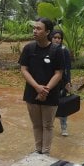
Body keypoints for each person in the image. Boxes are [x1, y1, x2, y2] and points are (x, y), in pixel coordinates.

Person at [18, 17, 64, 155]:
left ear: (47, 31)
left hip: (51, 94)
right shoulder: (29, 48)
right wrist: (37, 87)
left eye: (39, 28)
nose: (35, 31)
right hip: (32, 93)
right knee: (36, 124)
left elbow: (59, 73)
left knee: (48, 125)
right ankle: (38, 151)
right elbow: (24, 69)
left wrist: (46, 90)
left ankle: (46, 153)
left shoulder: (57, 50)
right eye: (34, 28)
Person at [51, 29, 72, 137]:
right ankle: (48, 126)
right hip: (49, 83)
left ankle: (64, 127)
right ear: (51, 37)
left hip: (62, 83)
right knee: (49, 105)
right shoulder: (47, 49)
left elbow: (67, 69)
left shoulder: (65, 51)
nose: (57, 40)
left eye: (59, 38)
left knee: (62, 104)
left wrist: (68, 82)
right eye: (55, 37)